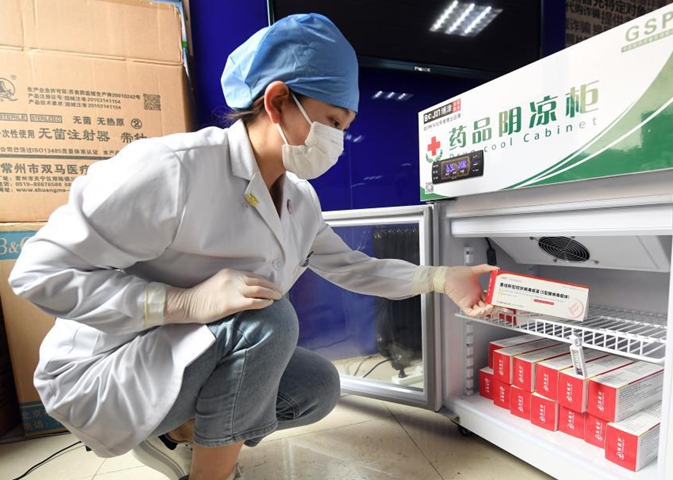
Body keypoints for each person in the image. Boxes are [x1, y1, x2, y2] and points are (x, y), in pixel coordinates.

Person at [8, 13, 496, 480]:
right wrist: (181, 302)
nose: (338, 141)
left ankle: (177, 433)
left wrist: (441, 278)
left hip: (179, 358)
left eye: (345, 127)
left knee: (316, 386)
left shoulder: (298, 199)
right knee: (269, 318)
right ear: (277, 100)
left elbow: (352, 267)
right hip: (103, 371)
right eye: (331, 121)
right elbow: (39, 273)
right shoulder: (173, 168)